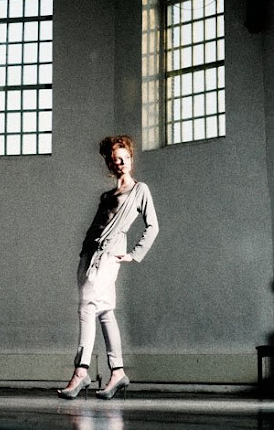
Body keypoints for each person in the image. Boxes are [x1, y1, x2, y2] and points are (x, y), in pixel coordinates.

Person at [58, 135, 159, 400]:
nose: (120, 163)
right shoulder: (107, 195)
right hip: (90, 256)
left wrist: (134, 254)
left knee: (86, 307)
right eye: (115, 160)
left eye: (124, 158)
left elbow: (152, 226)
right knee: (104, 312)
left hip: (109, 256)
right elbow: (96, 226)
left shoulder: (140, 190)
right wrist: (84, 252)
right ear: (110, 164)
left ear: (131, 159)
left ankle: (81, 371)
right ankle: (118, 371)